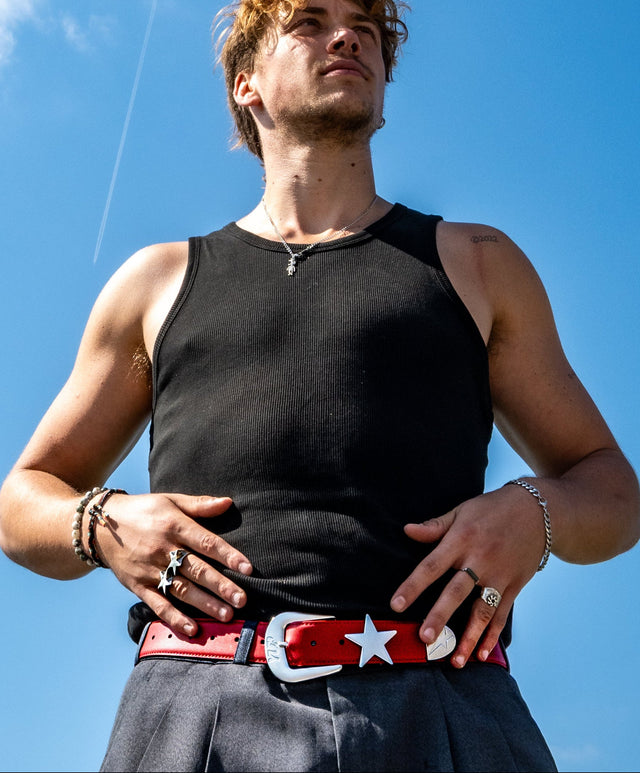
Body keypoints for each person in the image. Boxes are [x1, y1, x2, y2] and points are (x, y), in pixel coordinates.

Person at [1, 0, 638, 770]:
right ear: (247, 84)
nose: (348, 36)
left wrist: (538, 512)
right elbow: (22, 498)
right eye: (309, 20)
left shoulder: (478, 264)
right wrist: (103, 522)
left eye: (367, 27)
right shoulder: (155, 283)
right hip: (196, 705)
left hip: (443, 704)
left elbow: (612, 491)